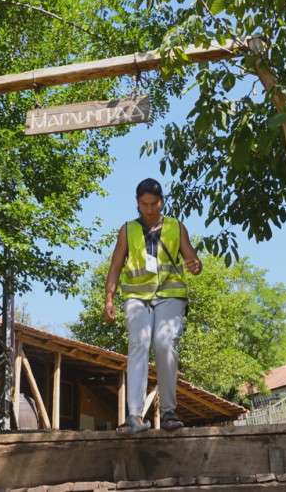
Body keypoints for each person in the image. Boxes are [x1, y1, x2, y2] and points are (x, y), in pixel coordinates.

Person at [103, 178, 202, 435]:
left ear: (162, 201)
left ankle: (169, 411)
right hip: (137, 298)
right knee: (139, 342)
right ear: (137, 203)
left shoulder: (176, 227)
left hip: (170, 296)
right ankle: (134, 415)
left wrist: (195, 265)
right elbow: (115, 266)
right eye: (144, 204)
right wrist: (109, 300)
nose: (149, 209)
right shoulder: (127, 230)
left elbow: (192, 259)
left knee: (163, 343)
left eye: (154, 203)